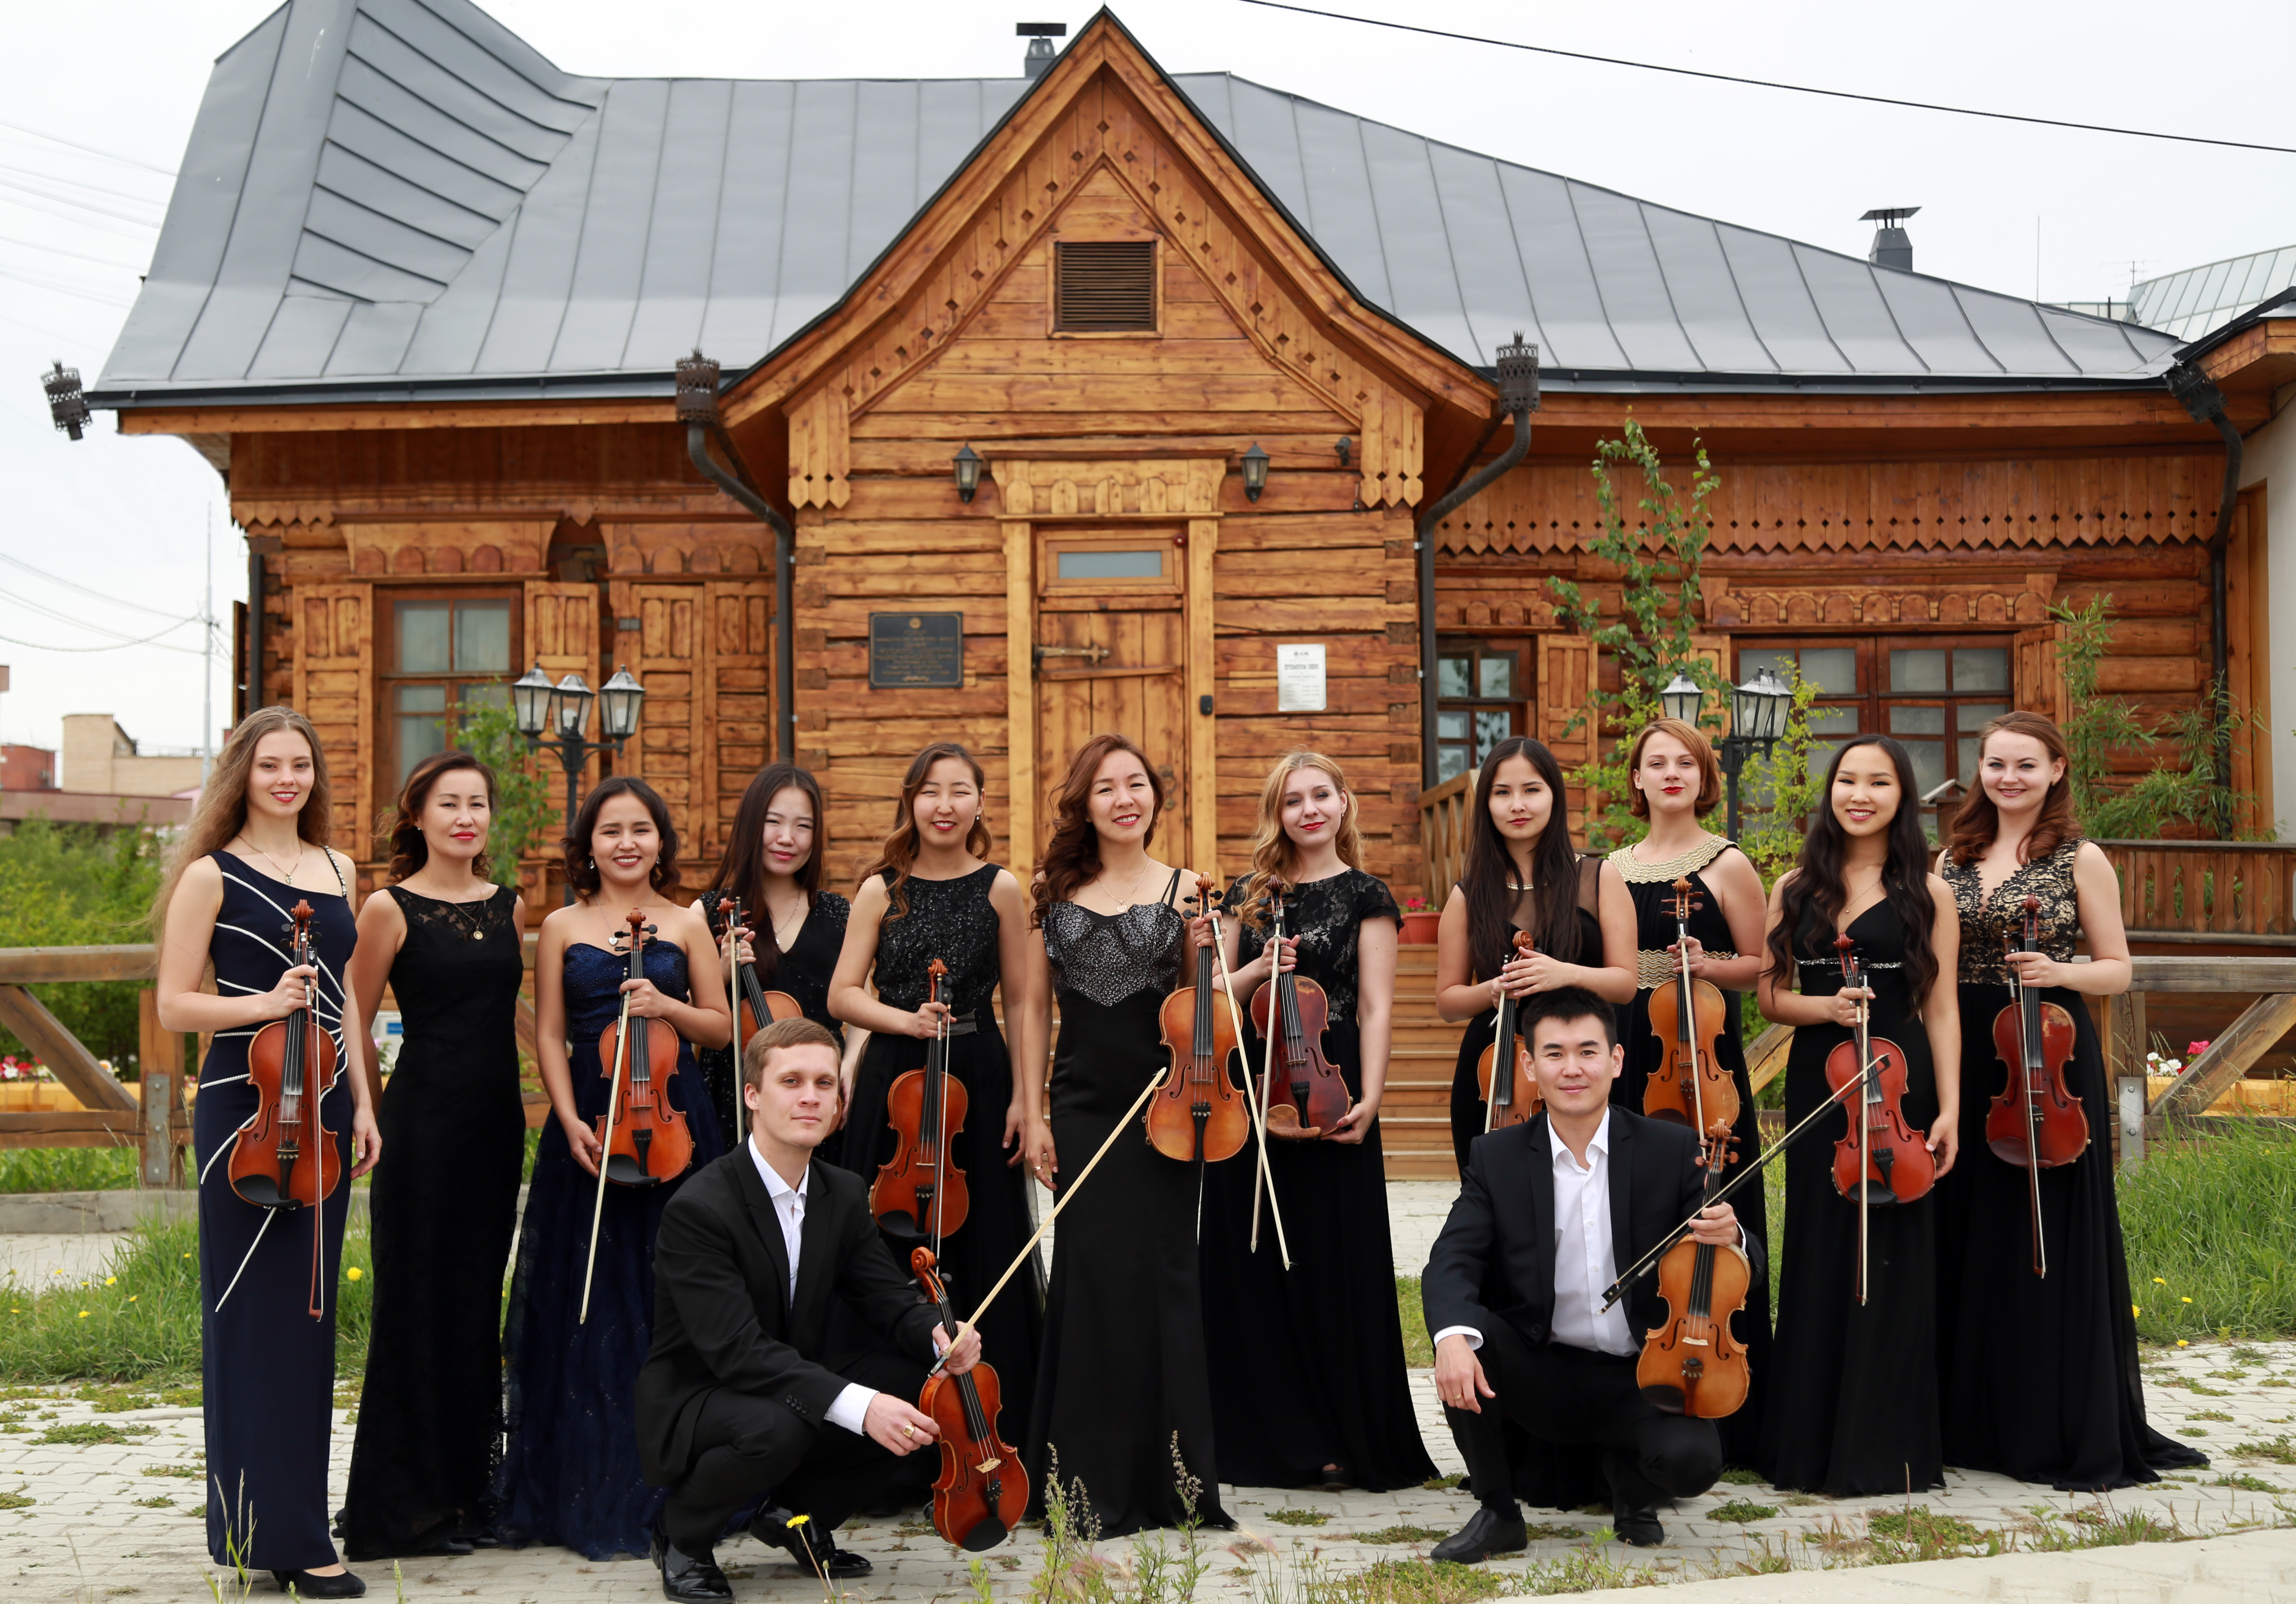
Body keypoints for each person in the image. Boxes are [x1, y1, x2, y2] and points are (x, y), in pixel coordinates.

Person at [1933, 712, 2206, 1489]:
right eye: (1995, 764)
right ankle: (1971, 1420)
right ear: (1979, 770)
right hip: (1964, 1053)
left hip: (2044, 1053)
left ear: (2056, 769)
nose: (2008, 777)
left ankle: (2047, 1417)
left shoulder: (2080, 858)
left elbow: (2117, 967)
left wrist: (2058, 973)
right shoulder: (1949, 856)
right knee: (1969, 1230)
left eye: (2025, 764)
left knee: (2040, 1232)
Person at [154, 706, 381, 1598]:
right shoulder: (209, 876)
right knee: (248, 1318)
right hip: (240, 1105)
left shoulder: (338, 868)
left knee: (312, 1317)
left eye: (300, 765)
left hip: (322, 1105)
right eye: (269, 765)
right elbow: (175, 1005)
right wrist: (261, 1007)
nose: (287, 779)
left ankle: (295, 1523)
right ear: (241, 775)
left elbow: (349, 1003)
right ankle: (265, 1535)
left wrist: (365, 1102)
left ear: (315, 776)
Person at [638, 1017, 981, 1600]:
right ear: (753, 1094)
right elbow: (736, 1350)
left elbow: (887, 1297)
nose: (810, 1097)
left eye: (825, 1084)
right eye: (791, 1081)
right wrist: (861, 1405)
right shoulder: (701, 1207)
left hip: (783, 1380)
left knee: (921, 1385)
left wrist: (938, 1335)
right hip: (702, 1395)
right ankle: (681, 1535)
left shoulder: (842, 1191)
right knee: (783, 1424)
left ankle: (795, 1516)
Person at [1422, 987, 1747, 1560]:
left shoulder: (1670, 1148)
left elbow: (1748, 1270)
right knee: (1464, 1337)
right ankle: (1498, 1510)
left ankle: (1634, 1483)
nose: (1572, 1068)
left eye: (1588, 1051)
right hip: (1543, 1371)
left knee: (1693, 1462)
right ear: (1529, 1064)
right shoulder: (1495, 1156)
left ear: (1616, 1061)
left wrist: (1734, 1239)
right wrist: (1451, 1338)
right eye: (1554, 1053)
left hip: (1644, 1372)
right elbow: (1453, 1258)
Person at [495, 777, 732, 1559]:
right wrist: (566, 1119)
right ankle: (588, 1478)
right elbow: (552, 1035)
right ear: (588, 844)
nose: (626, 842)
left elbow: (723, 1027)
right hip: (593, 1122)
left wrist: (665, 1008)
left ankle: (682, 1476)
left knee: (670, 1289)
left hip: (673, 1119)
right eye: (610, 830)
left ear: (661, 840)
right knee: (591, 1295)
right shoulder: (561, 923)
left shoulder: (688, 919)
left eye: (641, 828)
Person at [1200, 750, 1436, 1493]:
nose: (1308, 809)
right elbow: (1213, 1000)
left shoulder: (1368, 893)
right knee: (1256, 1265)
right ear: (1277, 812)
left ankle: (1344, 1437)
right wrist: (1259, 965)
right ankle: (1270, 1440)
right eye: (1293, 799)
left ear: (1343, 803)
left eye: (1320, 795)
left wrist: (1371, 1096)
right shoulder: (1246, 895)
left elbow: (1375, 1004)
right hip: (1258, 1088)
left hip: (1332, 1087)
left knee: (1336, 1264)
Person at [1017, 734, 1228, 1535]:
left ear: (1154, 795)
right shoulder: (1052, 890)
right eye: (1105, 787)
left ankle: (1174, 1481)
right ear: (1085, 804)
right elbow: (1035, 1007)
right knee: (1092, 1278)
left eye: (1136, 782)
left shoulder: (1187, 890)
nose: (1123, 797)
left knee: (1167, 1276)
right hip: (1079, 1104)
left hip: (1166, 1106)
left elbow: (1206, 1017)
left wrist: (1209, 958)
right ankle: (1087, 1479)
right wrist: (1035, 1111)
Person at [1756, 737, 1960, 1496]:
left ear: (1902, 795)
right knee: (1819, 1248)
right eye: (1848, 779)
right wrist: (1829, 1006)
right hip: (1824, 1082)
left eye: (1879, 781)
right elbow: (1773, 997)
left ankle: (1888, 1446)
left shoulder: (1927, 891)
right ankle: (1808, 1445)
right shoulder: (1794, 886)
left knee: (1896, 1260)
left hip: (1900, 1082)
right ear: (1830, 790)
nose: (1861, 792)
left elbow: (1940, 1009)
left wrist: (1953, 1111)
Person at [340, 752, 527, 1559]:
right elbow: (354, 1006)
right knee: (413, 1304)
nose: (465, 816)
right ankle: (397, 1510)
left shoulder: (512, 906)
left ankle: (464, 1496)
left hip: (495, 1127)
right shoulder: (389, 906)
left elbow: (526, 1014)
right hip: (421, 1127)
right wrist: (363, 1106)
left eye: (477, 804)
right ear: (417, 816)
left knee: (472, 1306)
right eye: (448, 803)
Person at [828, 742, 1043, 1423]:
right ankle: (887, 1426)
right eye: (929, 790)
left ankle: (985, 1426)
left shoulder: (1001, 887)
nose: (944, 805)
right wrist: (906, 1020)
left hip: (977, 1075)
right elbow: (841, 994)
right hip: (896, 1079)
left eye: (959, 791)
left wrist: (1023, 1100)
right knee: (885, 1237)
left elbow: (1022, 1000)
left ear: (981, 803)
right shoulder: (880, 887)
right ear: (910, 801)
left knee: (983, 1237)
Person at [1605, 719, 1773, 1467]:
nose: (1670, 773)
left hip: (1701, 1058)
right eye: (1655, 762)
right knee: (1636, 1214)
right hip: (1633, 1053)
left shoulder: (1728, 862)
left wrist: (1708, 964)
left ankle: (1734, 1404)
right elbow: (1610, 970)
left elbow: (1765, 969)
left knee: (1716, 1205)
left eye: (1685, 763)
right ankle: (1643, 1390)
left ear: (1704, 777)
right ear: (1636, 778)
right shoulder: (1612, 865)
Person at [1436, 737, 1636, 1172]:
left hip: (1581, 1062)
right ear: (1486, 803)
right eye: (1502, 792)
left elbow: (1624, 983)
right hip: (1494, 1072)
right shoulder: (1467, 895)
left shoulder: (1598, 877)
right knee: (1496, 1206)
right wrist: (1494, 988)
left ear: (1554, 796)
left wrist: (1560, 973)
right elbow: (1448, 1001)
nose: (1517, 804)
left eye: (1531, 789)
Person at [693, 764, 860, 1159]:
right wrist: (720, 972)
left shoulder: (840, 913)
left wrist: (849, 1065)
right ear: (751, 825)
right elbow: (687, 1018)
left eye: (803, 826)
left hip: (817, 1091)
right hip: (735, 1091)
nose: (788, 839)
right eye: (773, 822)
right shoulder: (708, 912)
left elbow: (860, 1010)